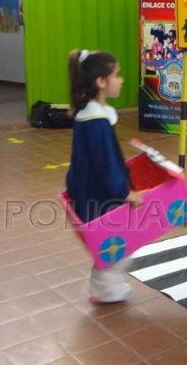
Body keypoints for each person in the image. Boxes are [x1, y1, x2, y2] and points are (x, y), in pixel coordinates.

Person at [65, 49, 143, 304]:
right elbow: (106, 163)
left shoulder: (92, 113)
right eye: (116, 75)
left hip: (90, 189)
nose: (121, 80)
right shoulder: (96, 121)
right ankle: (104, 290)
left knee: (113, 243)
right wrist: (123, 191)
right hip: (99, 193)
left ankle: (105, 286)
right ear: (100, 81)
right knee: (117, 245)